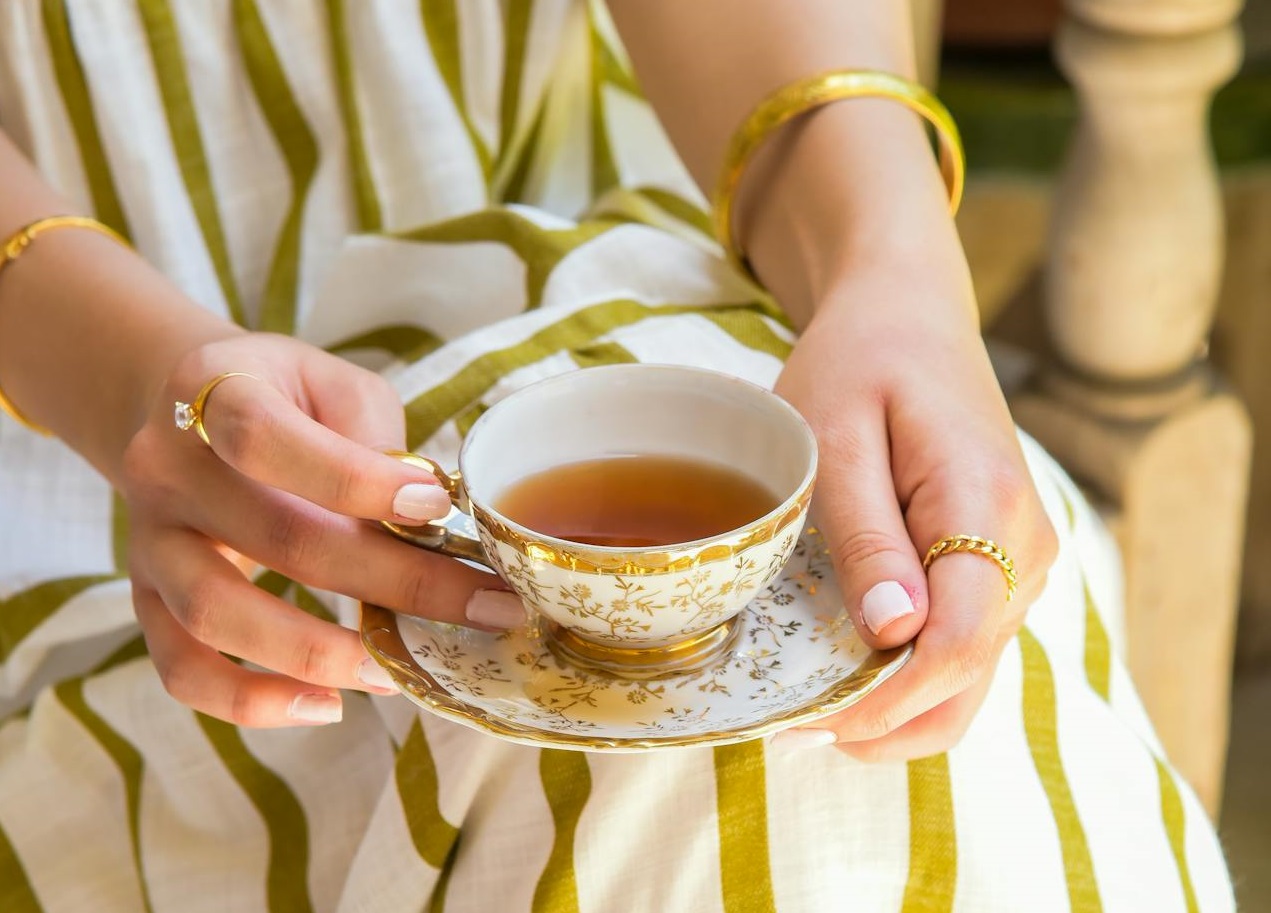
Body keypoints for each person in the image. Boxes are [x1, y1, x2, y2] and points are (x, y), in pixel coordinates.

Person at [0, 1, 1233, 910]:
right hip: (51, 428)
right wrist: (123, 381)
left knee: (875, 729)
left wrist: (894, 269)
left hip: (564, 259)